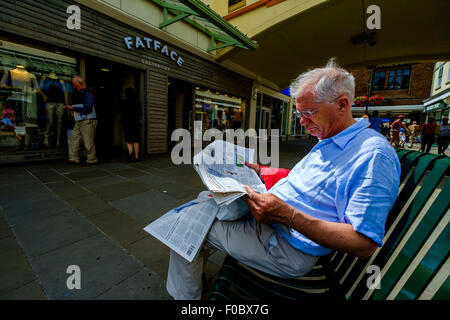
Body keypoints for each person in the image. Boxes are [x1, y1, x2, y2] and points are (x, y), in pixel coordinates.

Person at [166, 59, 401, 300]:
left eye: (308, 113)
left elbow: (364, 243)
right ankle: (193, 276)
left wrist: (288, 216)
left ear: (342, 104)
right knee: (202, 202)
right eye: (299, 114)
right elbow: (314, 185)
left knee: (185, 227)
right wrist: (262, 172)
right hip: (274, 226)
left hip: (286, 246)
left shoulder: (373, 156)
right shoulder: (332, 138)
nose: (301, 121)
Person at [64, 76, 98, 166]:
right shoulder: (79, 93)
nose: (74, 87)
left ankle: (91, 159)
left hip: (88, 120)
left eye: (75, 85)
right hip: (79, 120)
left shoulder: (88, 94)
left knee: (88, 141)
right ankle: (73, 158)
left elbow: (88, 109)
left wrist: (73, 108)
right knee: (73, 139)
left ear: (80, 84)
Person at [119, 87, 142, 162]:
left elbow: (120, 111)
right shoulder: (138, 102)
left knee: (128, 139)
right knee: (136, 139)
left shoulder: (123, 102)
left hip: (126, 122)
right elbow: (140, 113)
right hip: (135, 122)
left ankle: (130, 152)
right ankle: (136, 156)